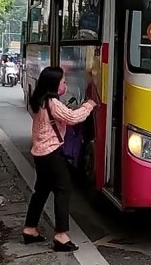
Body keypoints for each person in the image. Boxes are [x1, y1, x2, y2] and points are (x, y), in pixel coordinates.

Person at [22, 66, 97, 252]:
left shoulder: (39, 100)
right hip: (51, 153)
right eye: (63, 82)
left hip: (40, 152)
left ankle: (30, 229)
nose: (65, 85)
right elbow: (72, 118)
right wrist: (89, 105)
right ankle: (61, 235)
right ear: (54, 84)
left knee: (41, 191)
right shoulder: (53, 103)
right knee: (63, 190)